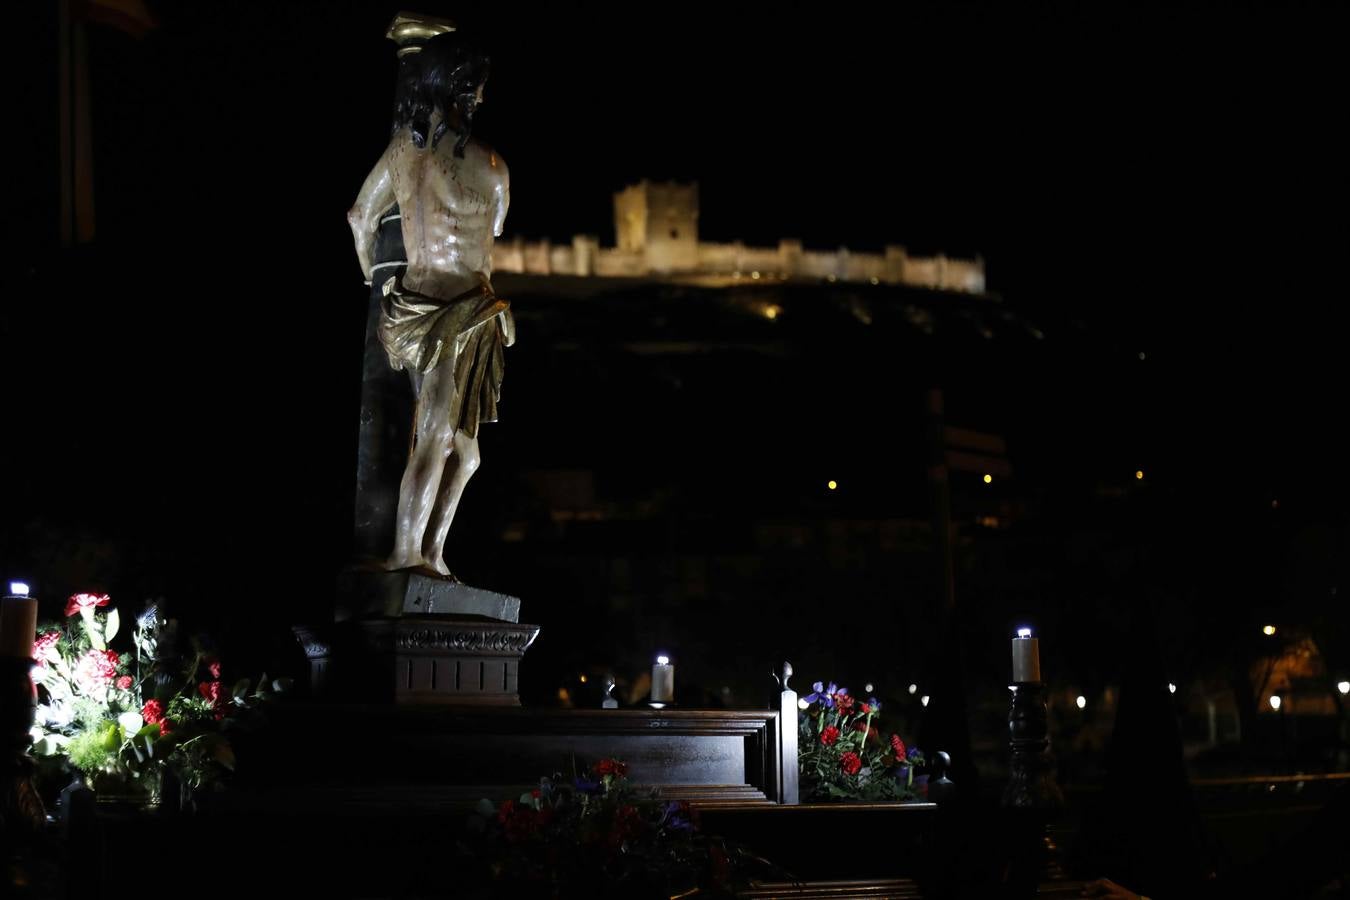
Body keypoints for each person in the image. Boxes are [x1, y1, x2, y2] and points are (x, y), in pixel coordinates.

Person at [347, 32, 513, 577]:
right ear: (463, 89)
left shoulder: (402, 151)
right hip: (462, 308)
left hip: (418, 303)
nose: (482, 99)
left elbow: (359, 218)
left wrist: (373, 273)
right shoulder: (492, 165)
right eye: (479, 89)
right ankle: (404, 556)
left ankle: (433, 557)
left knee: (468, 454)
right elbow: (488, 244)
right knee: (440, 439)